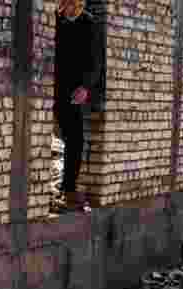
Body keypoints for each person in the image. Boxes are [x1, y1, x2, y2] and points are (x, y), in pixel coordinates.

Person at [55, 0, 104, 212]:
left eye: (76, 4)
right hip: (51, 84)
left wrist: (85, 87)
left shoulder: (89, 24)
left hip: (75, 90)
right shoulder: (56, 21)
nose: (72, 8)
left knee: (75, 138)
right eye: (68, 4)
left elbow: (96, 61)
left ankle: (68, 187)